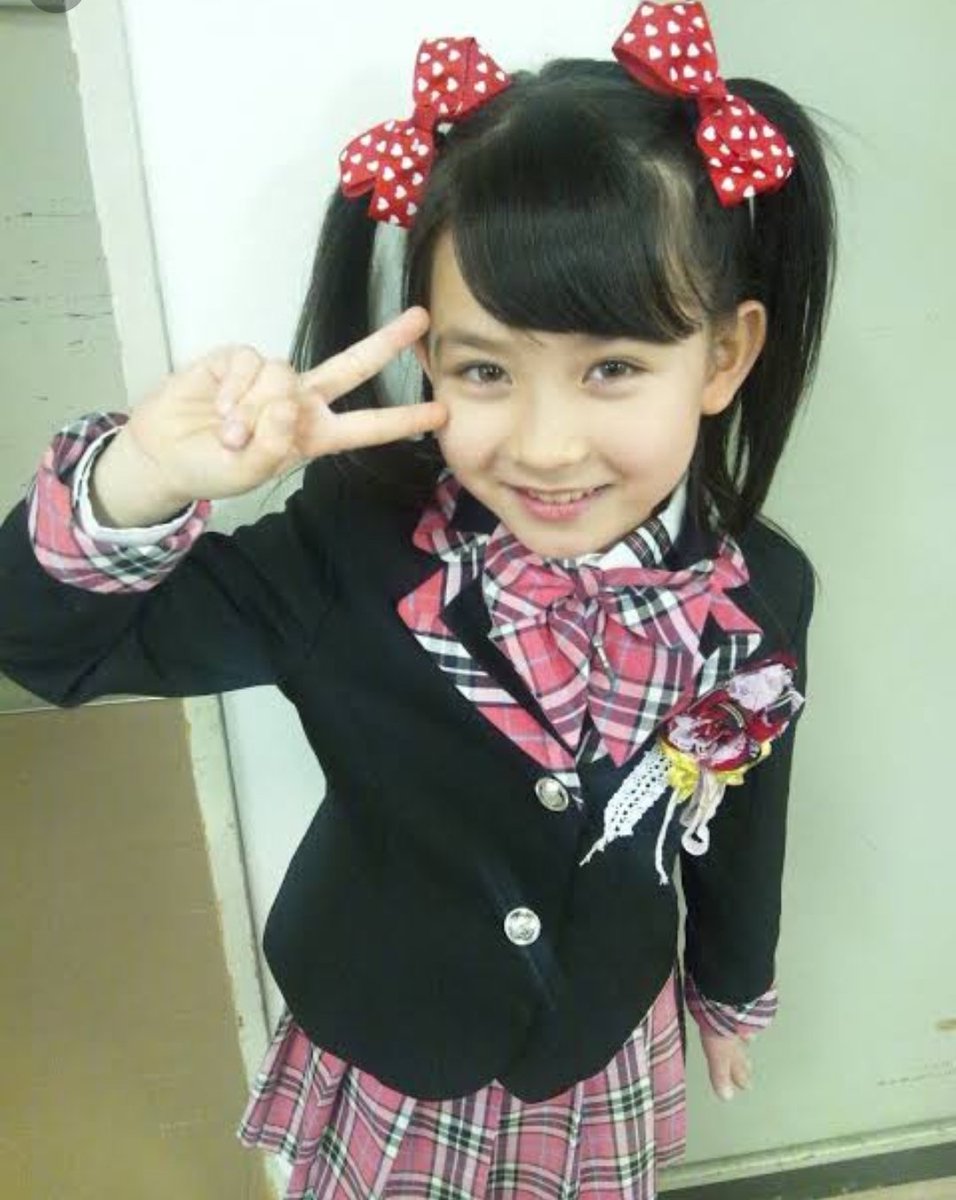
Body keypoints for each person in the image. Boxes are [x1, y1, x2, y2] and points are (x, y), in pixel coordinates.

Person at [0, 1, 838, 1195]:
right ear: (427, 355)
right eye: (484, 368)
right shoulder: (350, 547)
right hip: (388, 1048)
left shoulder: (760, 594)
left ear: (722, 356)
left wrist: (728, 986)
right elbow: (47, 649)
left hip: (600, 1043)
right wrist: (143, 475)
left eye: (611, 367)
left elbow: (738, 817)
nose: (544, 446)